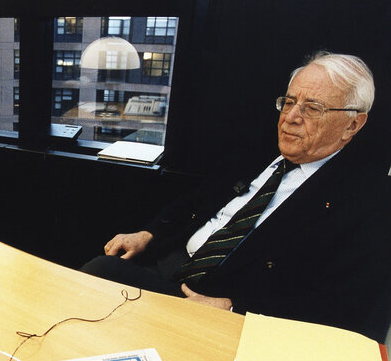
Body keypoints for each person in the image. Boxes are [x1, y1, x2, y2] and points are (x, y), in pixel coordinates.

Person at [82, 52, 391, 342]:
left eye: (312, 108)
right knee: (88, 288)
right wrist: (150, 232)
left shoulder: (366, 202)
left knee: (98, 279)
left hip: (227, 308)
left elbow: (339, 304)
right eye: (289, 102)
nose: (291, 118)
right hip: (168, 264)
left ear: (353, 123)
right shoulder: (258, 150)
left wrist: (234, 308)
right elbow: (197, 200)